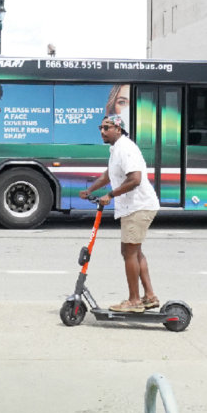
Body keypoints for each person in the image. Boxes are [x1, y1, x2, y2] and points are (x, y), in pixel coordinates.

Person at [78, 114, 161, 312]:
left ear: (118, 129)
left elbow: (135, 179)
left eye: (107, 128)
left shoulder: (126, 148)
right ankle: (149, 296)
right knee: (133, 251)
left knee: (129, 252)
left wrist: (110, 195)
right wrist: (90, 190)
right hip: (134, 207)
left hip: (138, 206)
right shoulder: (116, 149)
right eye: (101, 127)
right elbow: (108, 175)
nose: (102, 131)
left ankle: (134, 301)